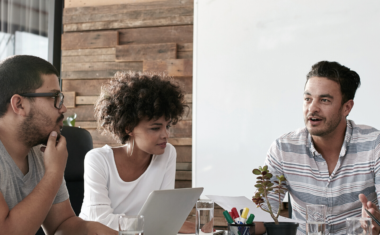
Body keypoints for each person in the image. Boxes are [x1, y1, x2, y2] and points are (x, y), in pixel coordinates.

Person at [254, 61, 380, 235]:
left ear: (347, 107)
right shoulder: (283, 149)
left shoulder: (375, 145)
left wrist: (377, 222)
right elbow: (264, 217)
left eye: (325, 100)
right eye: (308, 99)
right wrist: (237, 224)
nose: (312, 108)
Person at [0, 55, 117, 235]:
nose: (63, 108)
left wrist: (90, 229)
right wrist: (54, 173)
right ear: (19, 104)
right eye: (55, 97)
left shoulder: (40, 152)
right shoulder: (51, 161)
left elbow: (61, 224)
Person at [79, 72, 194, 233]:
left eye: (167, 126)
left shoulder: (167, 153)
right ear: (129, 128)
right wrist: (169, 223)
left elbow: (163, 215)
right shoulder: (98, 159)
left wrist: (170, 223)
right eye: (155, 128)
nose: (165, 135)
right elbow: (100, 221)